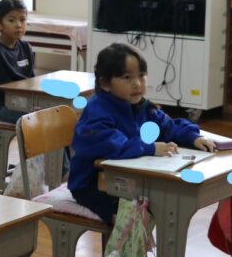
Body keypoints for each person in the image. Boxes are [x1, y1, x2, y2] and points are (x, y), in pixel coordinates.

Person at [67, 42, 215, 225]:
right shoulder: (97, 111)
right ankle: (124, 242)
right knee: (130, 221)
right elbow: (113, 146)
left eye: (142, 75)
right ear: (105, 83)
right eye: (127, 77)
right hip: (92, 185)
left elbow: (168, 126)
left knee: (165, 205)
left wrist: (193, 137)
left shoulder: (141, 106)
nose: (137, 83)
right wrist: (150, 148)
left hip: (129, 182)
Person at [0, 0, 34, 125]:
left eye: (22, 20)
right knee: (36, 120)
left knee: (56, 113)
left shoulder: (26, 47)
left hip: (22, 101)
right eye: (11, 20)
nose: (18, 25)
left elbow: (31, 79)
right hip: (1, 105)